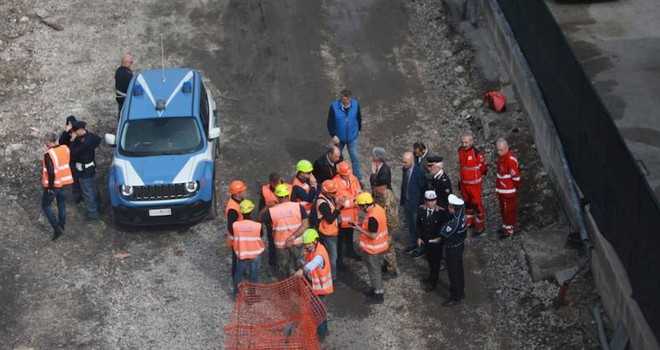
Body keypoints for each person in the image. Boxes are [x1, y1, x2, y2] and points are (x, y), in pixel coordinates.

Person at [263, 184, 309, 277]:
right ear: (288, 195)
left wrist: (267, 207)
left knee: (284, 268)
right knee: (299, 266)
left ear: (277, 197)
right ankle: (300, 286)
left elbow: (260, 219)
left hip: (281, 245)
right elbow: (305, 225)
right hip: (297, 242)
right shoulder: (298, 207)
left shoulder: (272, 211)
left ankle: (286, 287)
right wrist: (293, 237)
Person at [295, 229, 333, 339]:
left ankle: (321, 334)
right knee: (319, 310)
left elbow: (312, 264)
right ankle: (324, 331)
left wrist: (301, 271)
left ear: (315, 241)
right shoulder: (315, 247)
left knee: (318, 311)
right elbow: (301, 242)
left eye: (308, 245)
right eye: (305, 245)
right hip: (316, 286)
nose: (306, 247)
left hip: (320, 289)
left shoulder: (319, 255)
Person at [353, 192, 389, 304]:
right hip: (380, 246)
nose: (359, 208)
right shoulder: (377, 208)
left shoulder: (372, 217)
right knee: (374, 270)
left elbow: (373, 235)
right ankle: (375, 288)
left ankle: (378, 294)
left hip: (373, 249)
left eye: (360, 206)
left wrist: (359, 229)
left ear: (365, 205)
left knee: (374, 271)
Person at [370, 147, 399, 277]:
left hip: (388, 226)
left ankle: (391, 268)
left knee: (389, 244)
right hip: (385, 223)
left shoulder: (384, 172)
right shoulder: (380, 169)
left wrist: (373, 175)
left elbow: (391, 219)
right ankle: (388, 264)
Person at [41, 132, 74, 240]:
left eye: (46, 142)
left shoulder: (48, 154)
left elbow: (51, 172)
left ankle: (57, 229)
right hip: (66, 183)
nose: (45, 144)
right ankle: (62, 225)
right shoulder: (65, 148)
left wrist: (50, 188)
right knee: (62, 204)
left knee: (46, 206)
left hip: (54, 185)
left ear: (49, 142)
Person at [416, 191, 450, 292]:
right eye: (429, 201)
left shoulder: (441, 212)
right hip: (426, 241)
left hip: (436, 243)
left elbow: (445, 227)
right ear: (425, 201)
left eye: (433, 200)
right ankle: (431, 277)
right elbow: (418, 224)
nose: (431, 203)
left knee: (436, 263)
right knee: (429, 261)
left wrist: (441, 238)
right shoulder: (421, 210)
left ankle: (433, 283)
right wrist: (419, 237)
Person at [438, 194, 468, 307]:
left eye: (450, 207)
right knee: (459, 270)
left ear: (454, 208)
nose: (448, 208)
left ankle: (455, 296)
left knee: (453, 273)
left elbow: (443, 232)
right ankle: (461, 291)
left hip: (453, 250)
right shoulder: (462, 217)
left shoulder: (454, 223)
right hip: (460, 246)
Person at [327, 89, 362, 180]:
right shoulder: (334, 107)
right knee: (335, 158)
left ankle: (358, 179)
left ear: (350, 98)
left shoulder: (355, 105)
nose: (344, 100)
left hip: (352, 138)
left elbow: (358, 117)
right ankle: (334, 176)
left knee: (355, 159)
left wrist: (359, 129)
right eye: (342, 98)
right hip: (339, 139)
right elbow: (329, 122)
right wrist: (333, 135)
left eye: (346, 99)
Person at [69, 121, 101, 220]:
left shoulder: (83, 142)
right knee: (93, 188)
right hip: (90, 167)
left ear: (79, 130)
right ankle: (98, 206)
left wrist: (73, 141)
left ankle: (93, 213)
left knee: (88, 191)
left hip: (84, 170)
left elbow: (73, 152)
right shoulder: (91, 137)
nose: (74, 133)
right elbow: (98, 140)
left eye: (75, 131)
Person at [231, 199, 264, 295]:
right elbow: (261, 235)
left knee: (239, 274)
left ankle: (236, 294)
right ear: (251, 211)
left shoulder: (235, 225)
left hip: (242, 253)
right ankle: (252, 295)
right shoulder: (258, 225)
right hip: (255, 254)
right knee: (254, 275)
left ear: (241, 211)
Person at [333, 161, 362, 267]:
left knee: (350, 236)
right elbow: (340, 202)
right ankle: (339, 260)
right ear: (340, 173)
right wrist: (354, 201)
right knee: (340, 240)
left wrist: (354, 200)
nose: (347, 176)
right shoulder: (335, 183)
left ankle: (350, 252)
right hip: (342, 218)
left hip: (352, 216)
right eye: (344, 175)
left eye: (347, 174)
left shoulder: (353, 178)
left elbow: (359, 192)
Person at [458, 132, 487, 235]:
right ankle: (469, 221)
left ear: (471, 141)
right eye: (462, 142)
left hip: (474, 186)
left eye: (466, 142)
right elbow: (462, 167)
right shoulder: (460, 151)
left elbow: (483, 168)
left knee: (477, 205)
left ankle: (480, 226)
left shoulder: (476, 153)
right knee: (467, 204)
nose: (464, 144)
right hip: (464, 184)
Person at [258, 173, 290, 267]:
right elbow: (261, 207)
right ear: (270, 182)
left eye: (278, 182)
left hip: (285, 220)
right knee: (272, 243)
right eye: (274, 183)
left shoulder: (288, 188)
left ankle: (284, 263)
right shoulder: (265, 191)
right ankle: (273, 264)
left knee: (286, 242)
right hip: (271, 222)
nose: (276, 185)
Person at [400, 151, 426, 256]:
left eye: (405, 162)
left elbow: (423, 189)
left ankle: (421, 247)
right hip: (407, 202)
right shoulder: (405, 169)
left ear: (412, 161)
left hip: (416, 205)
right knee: (410, 225)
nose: (403, 164)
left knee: (418, 227)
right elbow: (404, 185)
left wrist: (421, 204)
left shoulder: (419, 172)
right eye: (403, 162)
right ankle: (413, 243)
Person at [315, 180, 342, 279]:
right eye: (333, 193)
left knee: (332, 254)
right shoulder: (322, 203)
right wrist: (338, 208)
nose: (335, 194)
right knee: (332, 256)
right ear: (326, 192)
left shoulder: (328, 198)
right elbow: (330, 219)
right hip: (328, 233)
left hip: (331, 232)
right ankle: (331, 276)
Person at [495, 138, 521, 238]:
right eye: (498, 150)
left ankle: (509, 229)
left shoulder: (510, 160)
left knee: (509, 210)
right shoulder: (501, 158)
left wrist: (514, 188)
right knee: (503, 210)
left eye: (501, 150)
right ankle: (506, 226)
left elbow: (516, 177)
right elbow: (500, 175)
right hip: (502, 190)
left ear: (507, 148)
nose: (499, 152)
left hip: (509, 191)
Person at [225, 180, 247, 277]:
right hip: (237, 238)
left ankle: (241, 274)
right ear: (238, 193)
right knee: (237, 260)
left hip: (240, 236)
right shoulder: (232, 209)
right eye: (243, 191)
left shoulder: (239, 201)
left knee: (241, 258)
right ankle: (236, 279)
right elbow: (231, 227)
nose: (245, 192)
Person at [58, 115, 81, 203]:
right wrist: (66, 131)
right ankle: (77, 196)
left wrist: (72, 140)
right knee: (75, 179)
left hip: (78, 159)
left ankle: (79, 194)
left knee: (79, 179)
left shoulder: (78, 132)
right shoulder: (67, 133)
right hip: (70, 159)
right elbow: (61, 142)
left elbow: (77, 148)